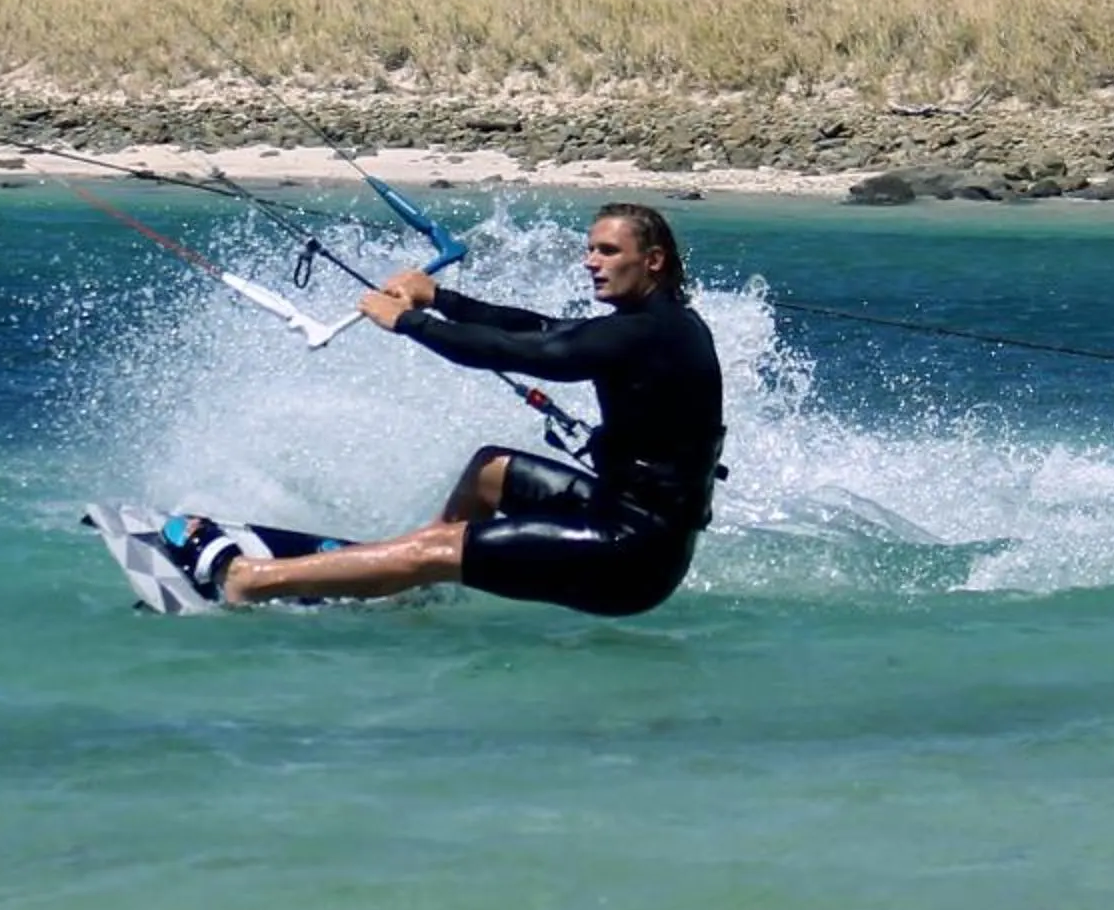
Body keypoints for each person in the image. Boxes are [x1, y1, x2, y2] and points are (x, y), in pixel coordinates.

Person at [175, 202, 724, 617]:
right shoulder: (658, 323)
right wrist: (439, 298)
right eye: (590, 249)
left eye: (607, 252)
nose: (590, 262)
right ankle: (410, 577)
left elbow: (532, 353)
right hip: (622, 512)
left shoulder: (651, 334)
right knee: (492, 471)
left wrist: (408, 323)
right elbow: (541, 328)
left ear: (652, 260)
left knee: (436, 549)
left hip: (632, 555)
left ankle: (247, 580)